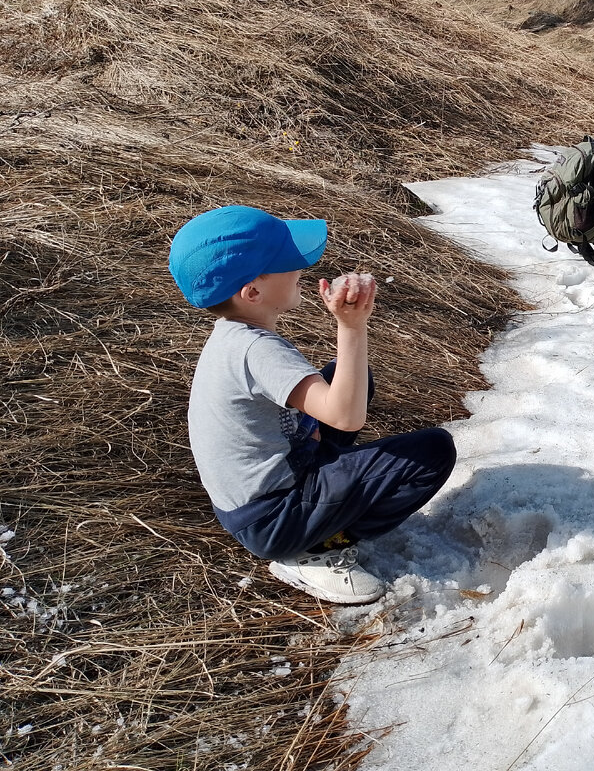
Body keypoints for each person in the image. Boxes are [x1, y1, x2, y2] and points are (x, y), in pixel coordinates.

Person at [168, 205, 456, 605]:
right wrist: (351, 326)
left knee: (348, 375)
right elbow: (346, 415)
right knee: (433, 452)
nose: (301, 267)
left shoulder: (231, 337)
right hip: (275, 517)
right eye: (289, 263)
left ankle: (323, 503)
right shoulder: (257, 350)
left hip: (255, 498)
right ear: (252, 293)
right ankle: (316, 550)